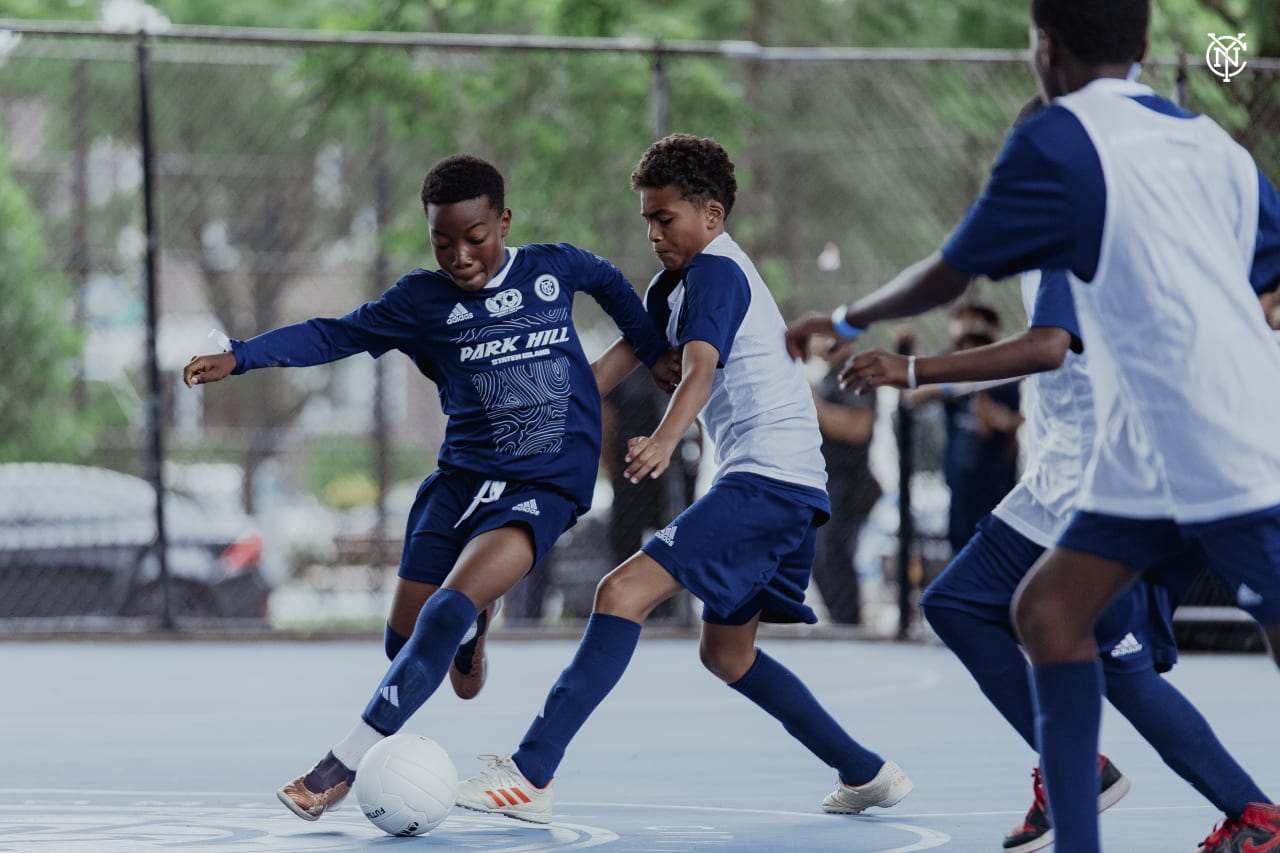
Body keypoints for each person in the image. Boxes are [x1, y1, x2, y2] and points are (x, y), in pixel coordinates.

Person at [786, 1, 1280, 848]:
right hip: (1140, 452)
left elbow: (956, 277)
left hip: (1212, 451)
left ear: (1043, 47)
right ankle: (1088, 806)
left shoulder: (1057, 139)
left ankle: (1248, 810)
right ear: (1147, 43)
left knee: (1072, 628)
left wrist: (849, 319)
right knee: (1047, 613)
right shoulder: (1210, 145)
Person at [182, 153, 671, 821]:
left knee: (444, 611)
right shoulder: (421, 300)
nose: (461, 255)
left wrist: (652, 344)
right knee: (404, 644)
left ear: (503, 221)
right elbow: (335, 333)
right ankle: (472, 632)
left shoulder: (555, 268)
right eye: (444, 241)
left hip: (545, 484)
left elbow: (614, 282)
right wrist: (243, 354)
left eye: (476, 237)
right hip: (460, 478)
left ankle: (339, 766)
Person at [453, 133, 912, 824]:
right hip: (781, 483)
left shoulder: (718, 274)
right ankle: (866, 769)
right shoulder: (674, 285)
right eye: (645, 218)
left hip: (767, 480)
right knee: (728, 653)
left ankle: (531, 772)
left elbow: (699, 368)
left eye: (664, 218)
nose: (653, 233)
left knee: (621, 589)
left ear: (711, 216)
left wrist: (666, 438)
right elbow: (622, 359)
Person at [847, 267, 1271, 853]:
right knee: (957, 603)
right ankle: (1087, 772)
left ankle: (1252, 813)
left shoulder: (1065, 218)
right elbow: (1043, 339)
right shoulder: (1055, 230)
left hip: (1097, 479)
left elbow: (1042, 344)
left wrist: (909, 362)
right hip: (1054, 480)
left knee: (1118, 666)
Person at [810, 339, 882, 624]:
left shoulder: (856, 374)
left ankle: (848, 623)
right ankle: (841, 620)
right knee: (820, 558)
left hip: (849, 484)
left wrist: (815, 406)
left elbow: (858, 428)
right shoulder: (829, 377)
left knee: (834, 556)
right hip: (826, 482)